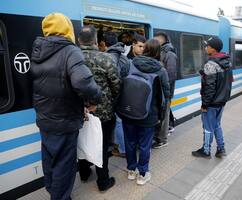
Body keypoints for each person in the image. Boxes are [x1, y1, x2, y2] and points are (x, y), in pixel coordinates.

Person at [30, 13, 102, 200]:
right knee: (65, 163)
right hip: (65, 119)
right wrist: (95, 99)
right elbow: (82, 82)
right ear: (67, 29)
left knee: (49, 157)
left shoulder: (38, 49)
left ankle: (53, 189)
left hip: (44, 117)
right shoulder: (70, 51)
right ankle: (60, 196)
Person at [119, 39, 170, 185]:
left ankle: (130, 170)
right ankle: (142, 174)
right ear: (158, 52)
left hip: (128, 112)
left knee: (129, 142)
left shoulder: (130, 64)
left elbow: (120, 85)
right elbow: (165, 96)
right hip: (149, 115)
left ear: (145, 49)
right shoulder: (160, 70)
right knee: (144, 145)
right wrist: (161, 116)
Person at [77, 25, 121, 191]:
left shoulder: (72, 58)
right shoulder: (106, 59)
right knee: (101, 145)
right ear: (96, 40)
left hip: (78, 111)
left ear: (79, 40)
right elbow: (116, 85)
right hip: (103, 112)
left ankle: (84, 173)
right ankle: (103, 181)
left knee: (82, 140)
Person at [192, 36, 232, 158]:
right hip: (221, 101)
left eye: (207, 46)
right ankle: (221, 149)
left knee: (208, 127)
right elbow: (227, 82)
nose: (205, 48)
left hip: (212, 102)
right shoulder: (227, 62)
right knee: (217, 125)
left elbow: (209, 87)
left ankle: (206, 150)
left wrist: (205, 104)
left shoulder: (211, 64)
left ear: (213, 49)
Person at [152, 31, 177, 148]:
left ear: (161, 40)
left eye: (155, 39)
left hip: (165, 91)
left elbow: (171, 75)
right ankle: (158, 135)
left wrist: (165, 90)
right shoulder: (162, 52)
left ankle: (162, 139)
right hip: (159, 90)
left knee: (164, 115)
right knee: (160, 114)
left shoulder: (169, 54)